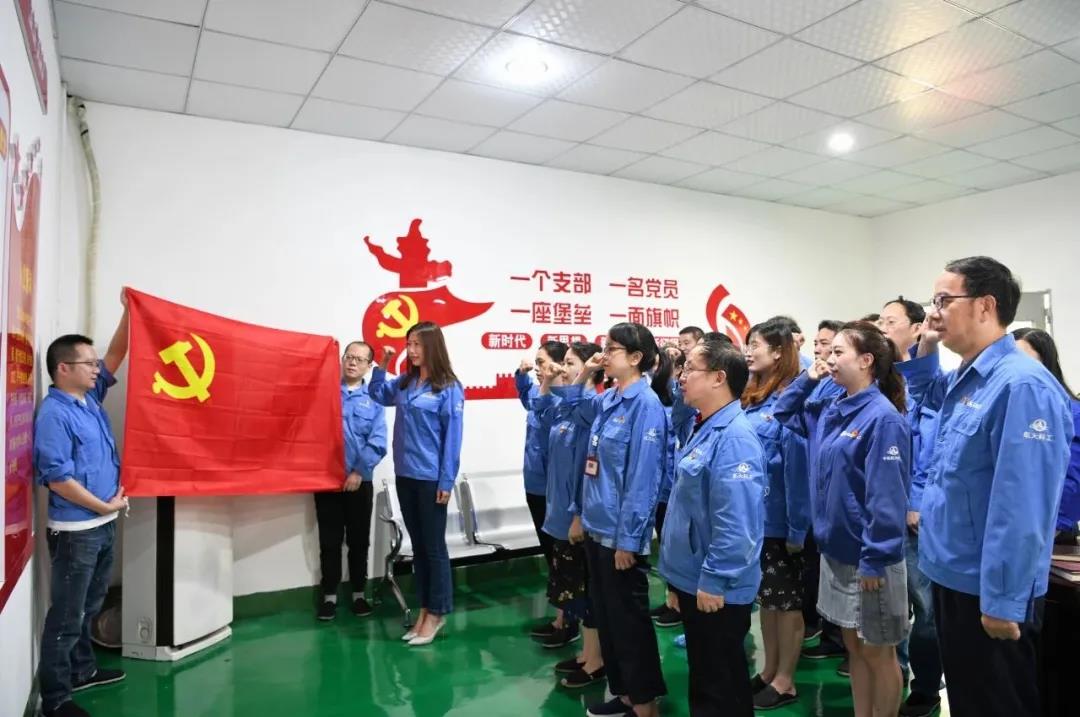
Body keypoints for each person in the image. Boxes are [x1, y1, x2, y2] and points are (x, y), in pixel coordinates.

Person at [899, 257, 1074, 717]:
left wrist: (1004, 600)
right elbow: (926, 394)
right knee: (969, 701)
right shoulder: (970, 376)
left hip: (987, 589)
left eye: (944, 300)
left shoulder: (1022, 386)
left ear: (985, 306)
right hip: (952, 574)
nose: (933, 312)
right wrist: (925, 347)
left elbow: (1022, 506)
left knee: (997, 704)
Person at [774, 321, 911, 717]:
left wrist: (875, 558)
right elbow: (783, 411)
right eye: (827, 351)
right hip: (835, 551)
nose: (827, 358)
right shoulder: (833, 410)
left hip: (869, 559)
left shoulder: (882, 419)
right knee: (854, 648)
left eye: (837, 352)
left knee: (878, 651)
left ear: (866, 361)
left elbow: (887, 497)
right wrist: (807, 379)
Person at [555, 323, 672, 717]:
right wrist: (586, 373)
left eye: (612, 349)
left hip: (620, 536)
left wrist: (629, 540)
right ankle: (623, 695)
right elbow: (571, 407)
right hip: (596, 527)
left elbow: (643, 479)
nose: (604, 354)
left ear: (636, 357)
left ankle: (644, 704)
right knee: (608, 620)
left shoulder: (646, 405)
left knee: (629, 624)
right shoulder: (609, 399)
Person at [35, 293, 130, 717]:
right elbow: (58, 478)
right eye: (88, 363)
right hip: (77, 531)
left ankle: (83, 670)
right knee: (67, 616)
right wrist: (103, 507)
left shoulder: (87, 400)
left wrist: (129, 311)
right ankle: (55, 700)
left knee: (90, 605)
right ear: (63, 368)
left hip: (101, 524)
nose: (97, 368)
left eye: (94, 363)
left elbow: (116, 354)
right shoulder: (54, 415)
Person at [660, 339, 766, 717]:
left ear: (719, 378)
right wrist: (677, 581)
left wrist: (716, 579)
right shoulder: (704, 425)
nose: (682, 376)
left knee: (718, 687)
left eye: (690, 369)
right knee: (711, 679)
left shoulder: (735, 439)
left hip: (716, 586)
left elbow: (737, 523)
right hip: (694, 577)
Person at [370, 322, 464, 646]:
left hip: (431, 478)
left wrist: (446, 480)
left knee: (434, 548)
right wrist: (383, 363)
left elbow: (453, 439)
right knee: (419, 548)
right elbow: (378, 394)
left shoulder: (448, 387)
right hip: (406, 475)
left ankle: (437, 613)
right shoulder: (406, 382)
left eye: (417, 345)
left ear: (432, 347)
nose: (411, 350)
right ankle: (424, 610)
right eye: (408, 344)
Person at [741, 320, 810, 710]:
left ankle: (786, 679)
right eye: (748, 344)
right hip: (756, 520)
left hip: (780, 521)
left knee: (787, 604)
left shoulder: (790, 401)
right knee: (768, 601)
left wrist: (797, 528)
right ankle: (769, 669)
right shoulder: (754, 397)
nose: (748, 351)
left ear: (780, 352)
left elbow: (797, 472)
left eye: (756, 345)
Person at [880, 297, 942, 715]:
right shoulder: (882, 383)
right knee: (891, 605)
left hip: (915, 516)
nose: (883, 329)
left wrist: (915, 502)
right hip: (884, 512)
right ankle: (893, 674)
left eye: (891, 322)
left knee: (925, 607)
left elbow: (929, 451)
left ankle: (926, 685)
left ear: (917, 329)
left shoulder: (930, 385)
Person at [533, 342, 607, 684]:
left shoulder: (590, 410)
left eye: (570, 363)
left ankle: (596, 660)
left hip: (577, 516)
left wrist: (578, 514)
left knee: (586, 591)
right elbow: (541, 411)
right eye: (563, 362)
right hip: (560, 514)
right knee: (575, 590)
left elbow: (587, 470)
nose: (564, 368)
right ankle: (587, 654)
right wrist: (549, 380)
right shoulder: (567, 409)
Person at [315, 341, 387, 620]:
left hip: (360, 481)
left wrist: (358, 471)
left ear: (369, 366)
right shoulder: (326, 394)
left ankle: (358, 593)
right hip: (326, 480)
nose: (352, 362)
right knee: (329, 541)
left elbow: (378, 441)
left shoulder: (375, 398)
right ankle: (329, 597)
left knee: (359, 540)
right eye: (349, 357)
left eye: (359, 359)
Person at [516, 340, 572, 644]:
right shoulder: (540, 394)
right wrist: (521, 374)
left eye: (542, 363)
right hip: (535, 485)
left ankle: (568, 619)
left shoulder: (561, 401)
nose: (538, 369)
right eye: (536, 363)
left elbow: (541, 408)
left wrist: (548, 383)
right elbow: (527, 397)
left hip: (553, 489)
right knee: (551, 555)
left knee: (560, 556)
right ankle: (561, 616)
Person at [800, 320, 848, 667]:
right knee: (825, 579)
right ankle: (834, 637)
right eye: (817, 344)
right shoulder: (818, 382)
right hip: (820, 503)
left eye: (830, 346)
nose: (822, 352)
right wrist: (808, 380)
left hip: (843, 512)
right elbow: (788, 411)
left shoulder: (868, 404)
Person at [1012, 328, 1080, 543]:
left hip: (1049, 533)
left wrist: (1051, 530)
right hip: (1010, 528)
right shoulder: (1009, 409)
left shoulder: (1071, 412)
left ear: (1046, 365)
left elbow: (1074, 479)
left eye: (1025, 361)